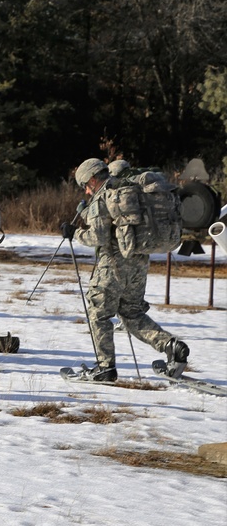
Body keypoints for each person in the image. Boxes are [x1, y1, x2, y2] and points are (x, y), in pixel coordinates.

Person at [63, 158, 190, 381]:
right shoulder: (131, 190)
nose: (86, 190)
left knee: (98, 313)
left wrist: (73, 233)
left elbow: (98, 237)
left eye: (85, 185)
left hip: (112, 265)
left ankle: (105, 367)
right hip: (139, 262)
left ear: (93, 179)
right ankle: (172, 346)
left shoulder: (105, 194)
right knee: (132, 313)